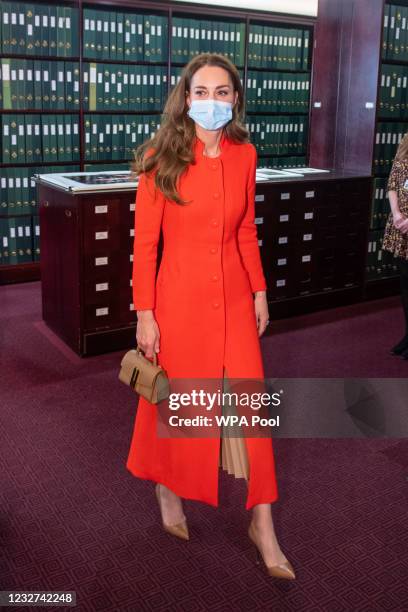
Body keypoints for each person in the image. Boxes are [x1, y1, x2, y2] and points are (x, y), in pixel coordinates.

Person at [126, 52, 295, 580]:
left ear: (235, 99)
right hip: (179, 302)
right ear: (185, 98)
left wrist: (261, 291)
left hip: (237, 296)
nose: (212, 102)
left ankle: (262, 523)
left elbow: (245, 229)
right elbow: (144, 246)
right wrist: (145, 315)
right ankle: (167, 487)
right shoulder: (161, 157)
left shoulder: (245, 154)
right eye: (202, 92)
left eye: (222, 92)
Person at [382, 133, 408, 359]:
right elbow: (392, 185)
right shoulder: (404, 148)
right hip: (401, 229)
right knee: (405, 285)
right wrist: (397, 214)